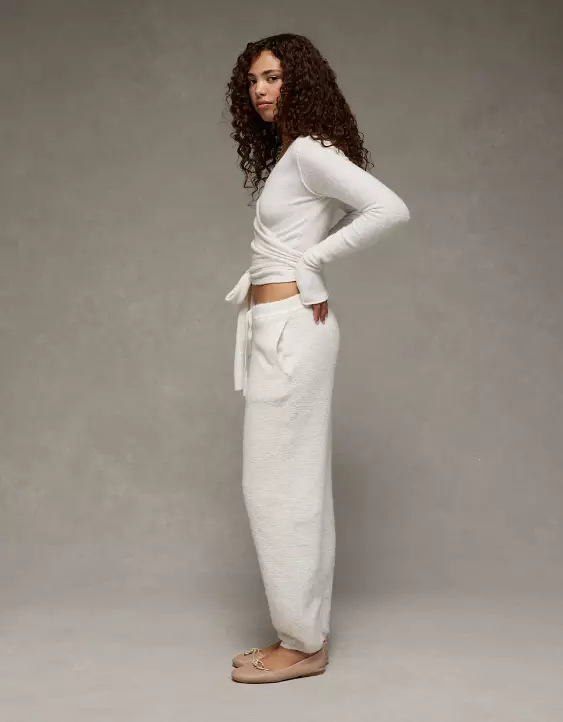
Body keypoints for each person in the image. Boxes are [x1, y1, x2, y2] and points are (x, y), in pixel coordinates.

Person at [224, 33, 411, 684]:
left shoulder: (309, 150)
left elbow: (389, 209)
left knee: (280, 485)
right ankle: (302, 633)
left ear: (300, 81)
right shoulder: (291, 153)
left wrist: (311, 261)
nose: (260, 90)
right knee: (286, 482)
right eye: (253, 81)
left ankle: (301, 643)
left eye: (273, 77)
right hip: (277, 328)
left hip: (292, 332)